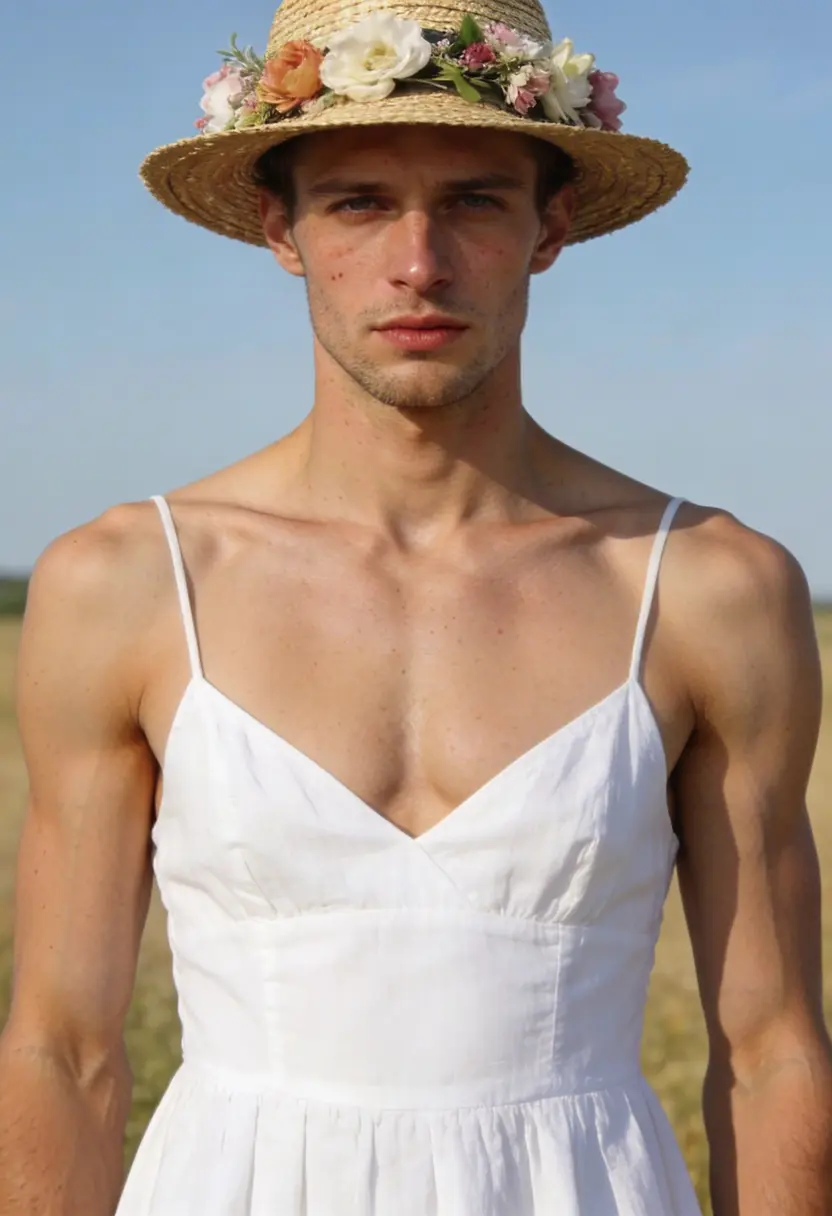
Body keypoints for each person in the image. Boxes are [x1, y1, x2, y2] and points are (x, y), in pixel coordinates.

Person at [1, 0, 830, 1212]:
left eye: (475, 201)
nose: (418, 263)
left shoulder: (711, 587)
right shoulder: (126, 583)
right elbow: (60, 1051)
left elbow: (771, 1056)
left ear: (551, 227)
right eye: (358, 202)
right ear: (278, 229)